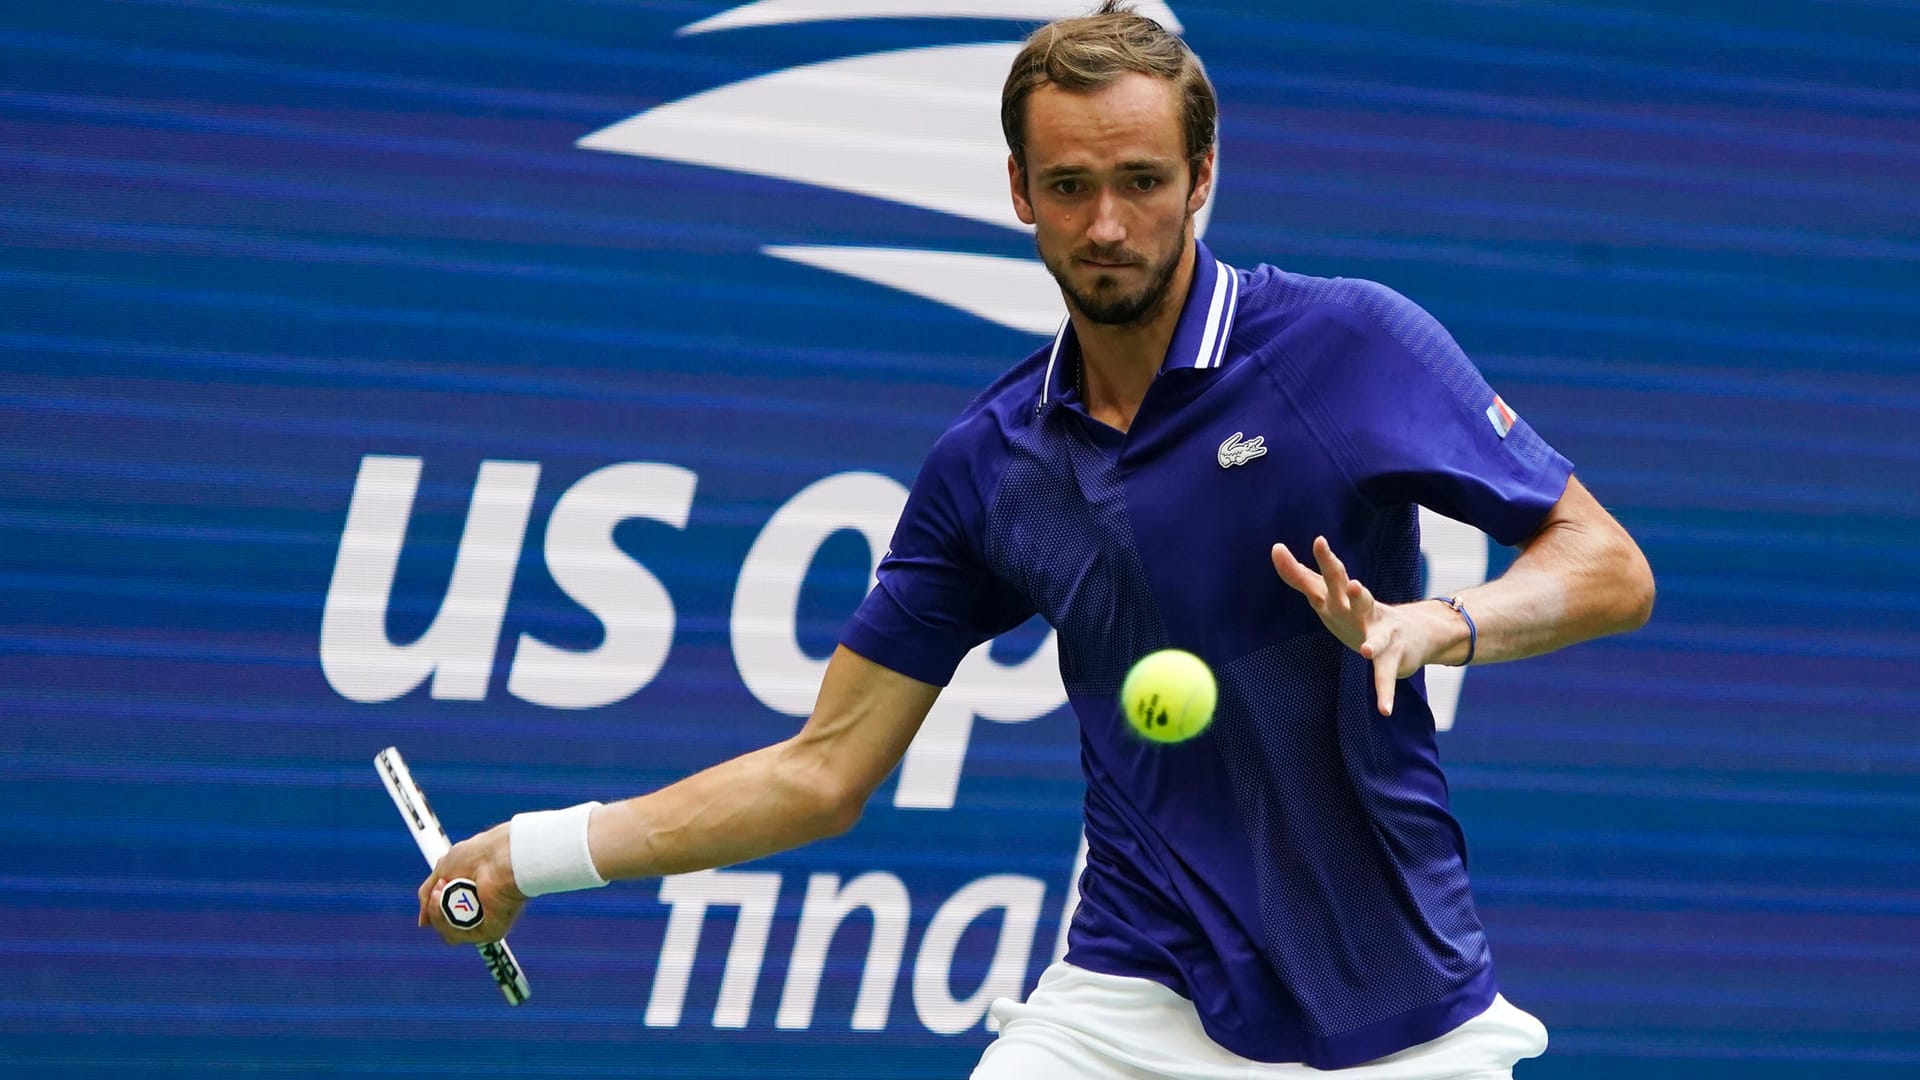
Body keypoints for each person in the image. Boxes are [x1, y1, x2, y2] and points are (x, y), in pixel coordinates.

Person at [418, 5, 1655, 1077]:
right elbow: (822, 770)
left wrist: (1439, 623)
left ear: (1204, 175)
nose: (1106, 224)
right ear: (1019, 194)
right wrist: (533, 855)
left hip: (1402, 1022)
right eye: (1069, 188)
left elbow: (1606, 563)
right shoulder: (992, 462)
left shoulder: (1347, 349)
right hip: (1129, 999)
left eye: (1142, 182)